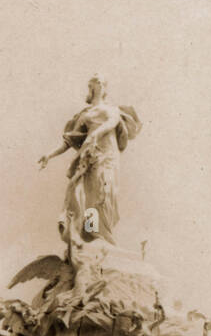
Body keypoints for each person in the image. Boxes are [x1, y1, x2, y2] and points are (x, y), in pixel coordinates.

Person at [38, 75, 141, 251]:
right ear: (91, 87)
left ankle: (105, 235)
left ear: (105, 88)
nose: (100, 85)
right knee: (90, 196)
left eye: (102, 82)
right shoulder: (85, 114)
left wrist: (95, 134)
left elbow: (111, 123)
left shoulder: (112, 109)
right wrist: (49, 155)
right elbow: (69, 141)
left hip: (108, 155)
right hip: (90, 156)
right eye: (96, 82)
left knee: (106, 191)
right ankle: (92, 234)